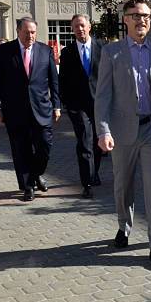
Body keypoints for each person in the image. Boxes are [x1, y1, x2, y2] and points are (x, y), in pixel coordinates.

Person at [95, 0, 151, 269]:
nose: (142, 20)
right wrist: (103, 130)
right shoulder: (111, 52)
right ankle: (124, 226)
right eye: (136, 15)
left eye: (146, 16)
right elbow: (103, 95)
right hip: (121, 133)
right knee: (122, 186)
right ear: (125, 19)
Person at [0, 17, 61, 202]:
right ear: (18, 31)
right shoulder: (5, 51)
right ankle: (28, 186)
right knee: (21, 150)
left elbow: (53, 81)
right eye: (27, 31)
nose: (30, 35)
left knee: (45, 146)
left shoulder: (45, 51)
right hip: (15, 111)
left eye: (33, 32)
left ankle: (36, 174)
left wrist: (57, 105)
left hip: (42, 109)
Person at [59, 14, 104, 199]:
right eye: (76, 27)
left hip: (100, 104)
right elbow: (63, 80)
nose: (80, 29)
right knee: (85, 142)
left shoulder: (102, 48)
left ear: (89, 26)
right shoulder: (68, 52)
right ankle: (86, 183)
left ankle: (94, 173)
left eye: (83, 26)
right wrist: (67, 104)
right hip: (78, 106)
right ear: (72, 29)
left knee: (98, 142)